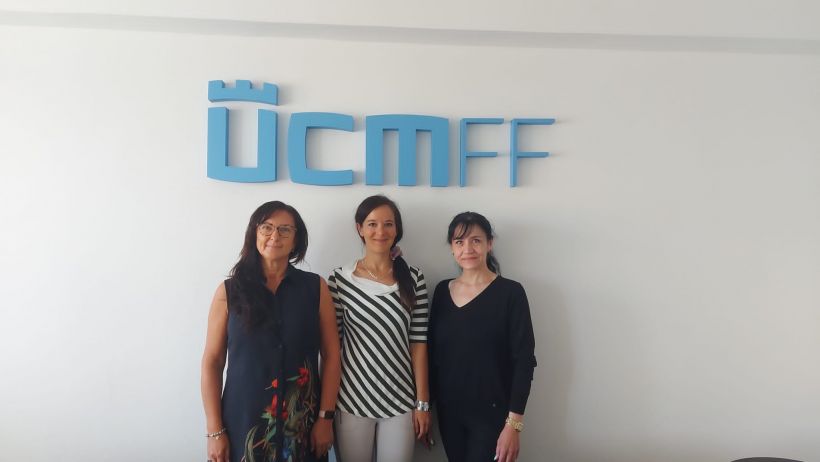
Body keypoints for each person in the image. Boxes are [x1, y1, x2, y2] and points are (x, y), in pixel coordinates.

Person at [201, 201, 341, 462]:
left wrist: (326, 418)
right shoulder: (229, 291)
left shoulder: (315, 288)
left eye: (285, 229)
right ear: (254, 233)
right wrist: (214, 431)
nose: (275, 236)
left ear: (296, 239)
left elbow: (332, 355)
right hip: (243, 424)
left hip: (301, 424)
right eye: (267, 227)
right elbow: (212, 361)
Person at [327, 195, 431, 462]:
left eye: (388, 224)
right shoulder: (339, 280)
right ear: (359, 228)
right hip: (352, 400)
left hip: (401, 401)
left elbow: (418, 344)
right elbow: (332, 349)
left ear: (397, 230)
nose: (380, 231)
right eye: (372, 224)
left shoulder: (414, 278)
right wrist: (325, 410)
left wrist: (422, 403)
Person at [429, 212, 537, 462]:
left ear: (490, 243)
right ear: (452, 248)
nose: (468, 249)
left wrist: (514, 424)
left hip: (493, 415)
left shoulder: (511, 293)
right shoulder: (442, 291)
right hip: (449, 413)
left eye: (476, 240)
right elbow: (433, 355)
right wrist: (425, 407)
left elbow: (524, 361)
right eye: (459, 242)